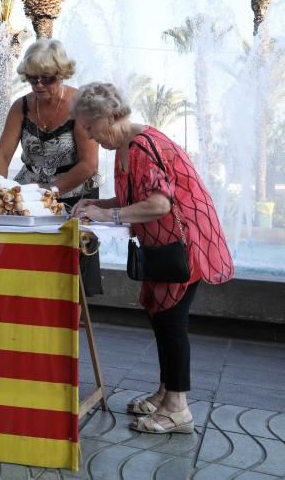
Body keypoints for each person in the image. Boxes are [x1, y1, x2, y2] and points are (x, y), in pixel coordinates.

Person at [70, 82, 233, 435]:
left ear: (110, 116)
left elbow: (160, 204)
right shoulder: (127, 146)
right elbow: (133, 196)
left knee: (172, 324)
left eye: (90, 128)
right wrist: (97, 205)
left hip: (186, 246)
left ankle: (178, 409)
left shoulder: (144, 146)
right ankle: (165, 394)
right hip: (166, 247)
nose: (90, 136)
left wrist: (109, 217)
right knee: (163, 320)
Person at [0, 40, 100, 205]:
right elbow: (2, 156)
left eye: (47, 79)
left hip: (75, 197)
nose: (39, 84)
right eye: (32, 78)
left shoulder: (81, 105)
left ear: (61, 74)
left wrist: (51, 190)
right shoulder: (21, 107)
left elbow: (89, 164)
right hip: (29, 195)